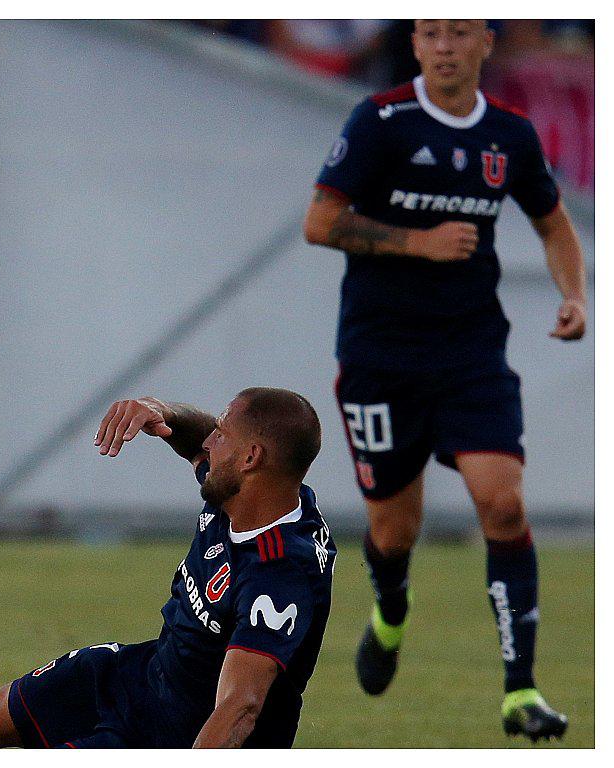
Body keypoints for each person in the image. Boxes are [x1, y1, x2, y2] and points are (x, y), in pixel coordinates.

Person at [303, 19, 585, 741]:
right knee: (395, 533)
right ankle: (391, 610)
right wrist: (416, 242)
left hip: (471, 357)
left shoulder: (510, 137)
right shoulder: (381, 121)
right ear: (418, 45)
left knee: (505, 505)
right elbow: (320, 221)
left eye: (460, 33)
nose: (445, 46)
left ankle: (520, 689)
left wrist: (573, 295)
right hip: (380, 359)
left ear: (486, 43)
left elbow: (553, 223)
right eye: (431, 33)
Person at [0, 388, 335, 748]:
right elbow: (193, 437)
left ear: (250, 458)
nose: (208, 443)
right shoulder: (249, 491)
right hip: (142, 676)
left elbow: (240, 707)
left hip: (175, 734)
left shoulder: (279, 575)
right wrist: (162, 412)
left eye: (220, 436)